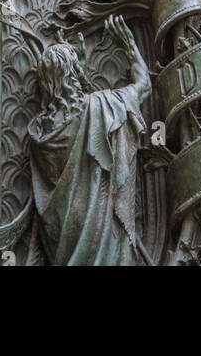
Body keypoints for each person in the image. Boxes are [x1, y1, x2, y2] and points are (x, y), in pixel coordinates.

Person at [28, 20, 150, 266]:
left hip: (64, 247)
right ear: (72, 73)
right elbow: (143, 86)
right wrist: (128, 45)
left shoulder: (41, 132)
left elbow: (82, 139)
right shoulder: (100, 106)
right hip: (104, 247)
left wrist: (78, 73)